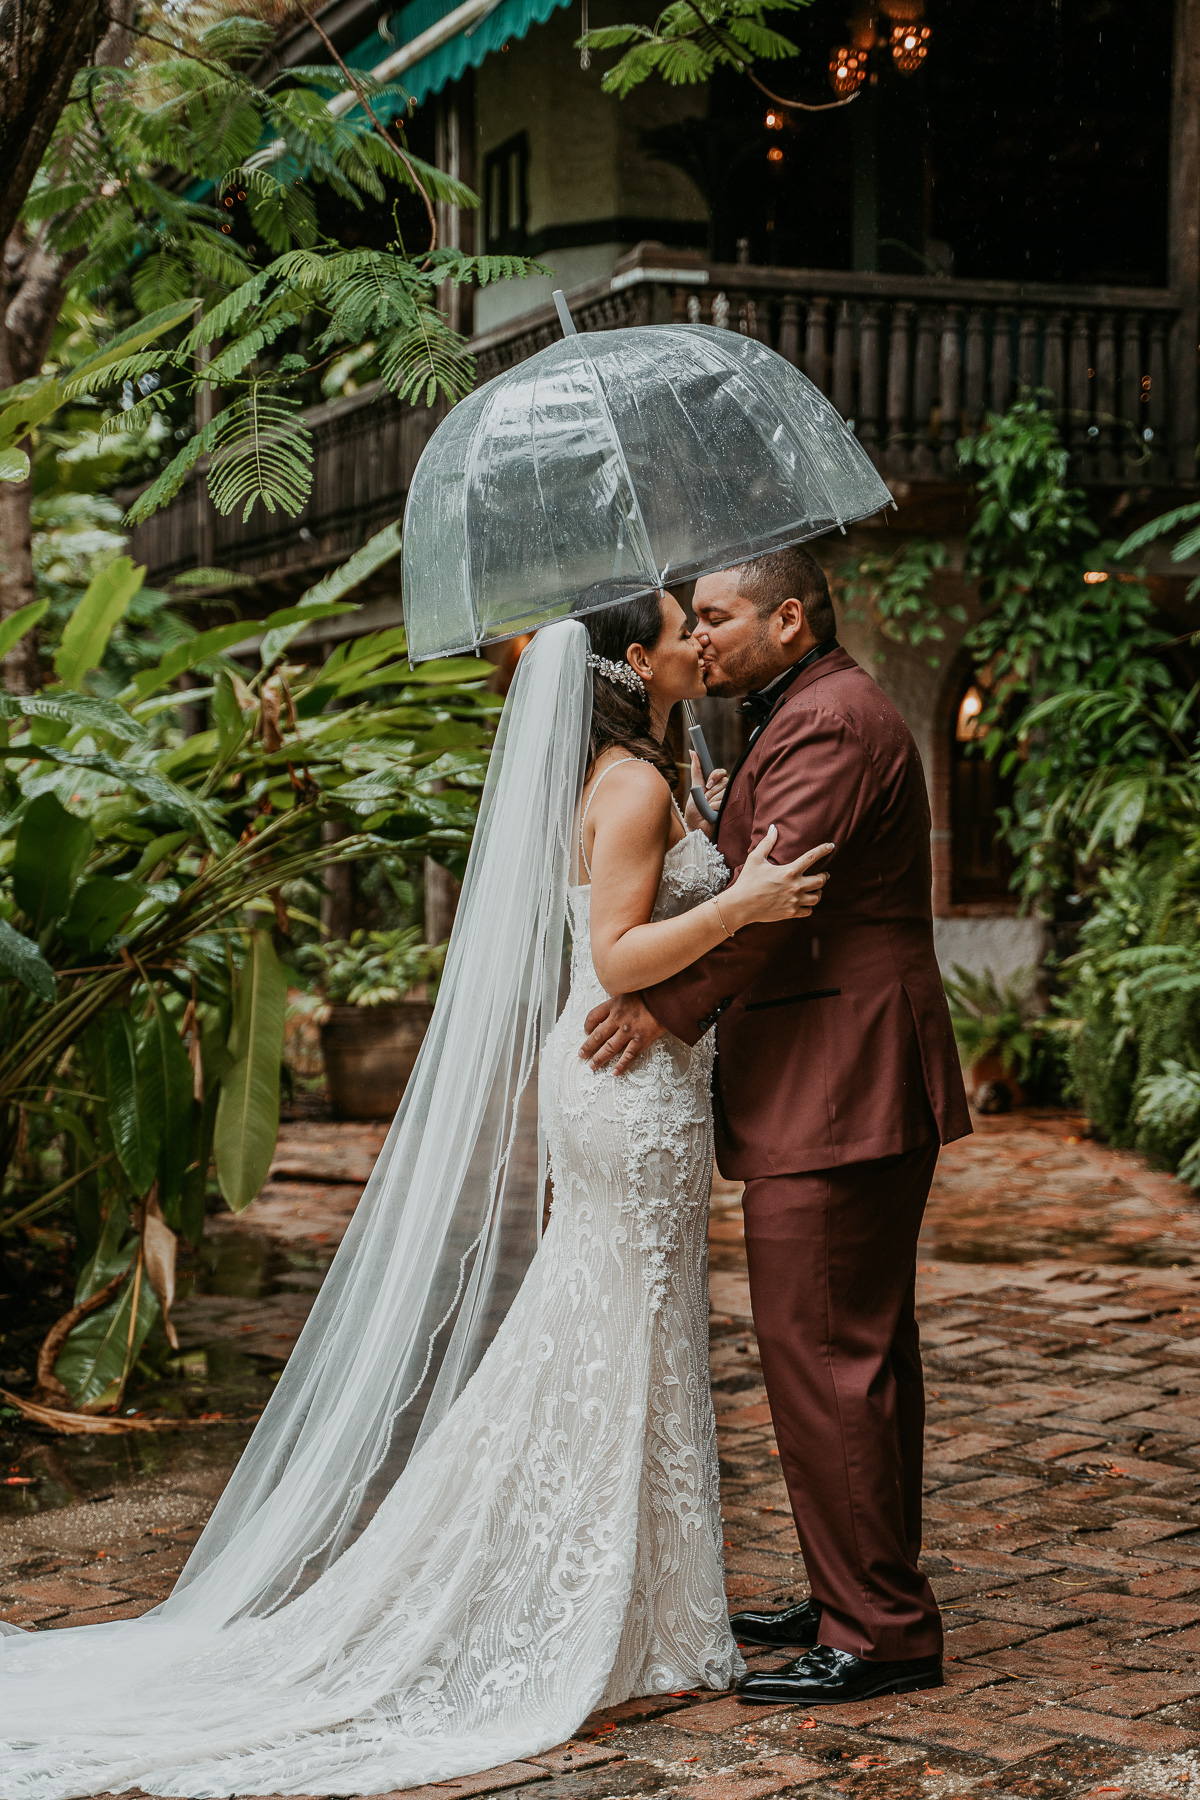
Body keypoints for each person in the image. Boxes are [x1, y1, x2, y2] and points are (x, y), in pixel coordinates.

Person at [0, 594, 831, 1799]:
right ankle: (596, 1605)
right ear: (633, 661)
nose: (701, 640)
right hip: (630, 1078)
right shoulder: (636, 786)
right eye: (677, 627)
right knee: (617, 1329)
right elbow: (616, 958)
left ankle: (639, 1601)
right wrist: (743, 904)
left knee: (615, 1330)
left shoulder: (633, 769)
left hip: (635, 1086)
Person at [581, 545, 972, 1707]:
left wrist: (663, 1009)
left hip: (842, 1081)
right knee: (855, 1353)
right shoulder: (798, 709)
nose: (700, 637)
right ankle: (851, 1584)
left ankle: (880, 1632)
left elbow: (775, 900)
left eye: (718, 616)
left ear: (788, 617)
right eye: (690, 622)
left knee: (828, 1357)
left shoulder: (832, 722)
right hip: (831, 1076)